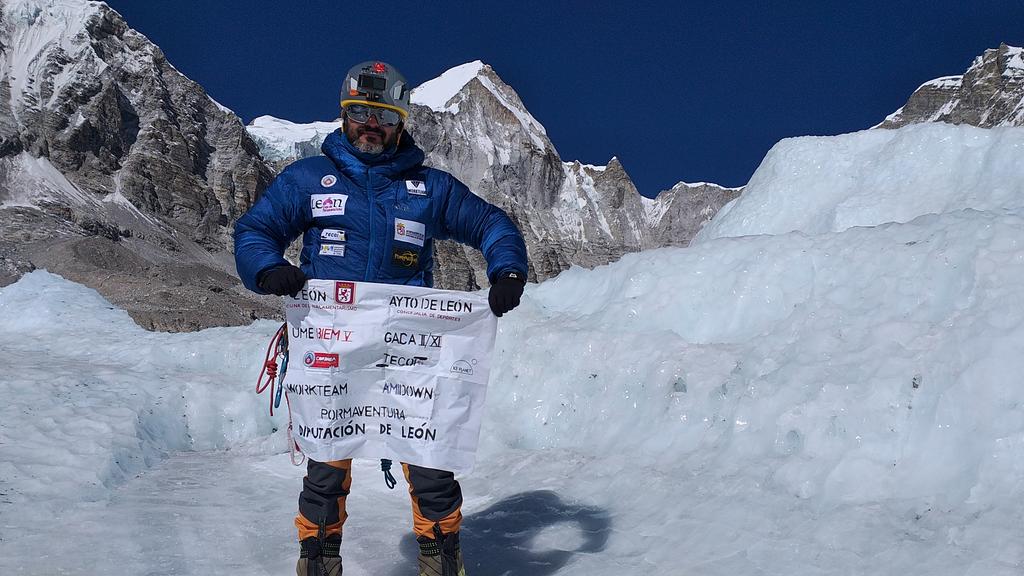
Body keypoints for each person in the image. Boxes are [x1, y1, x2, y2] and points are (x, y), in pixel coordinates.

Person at [234, 61, 528, 576]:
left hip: (411, 353)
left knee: (431, 460)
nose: (372, 124)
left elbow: (489, 222)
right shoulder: (306, 179)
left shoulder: (428, 188)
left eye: (384, 116)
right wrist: (268, 268)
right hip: (333, 346)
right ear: (345, 114)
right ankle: (318, 559)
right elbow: (256, 230)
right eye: (361, 113)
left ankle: (441, 558)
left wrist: (507, 270)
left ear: (400, 122)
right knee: (326, 460)